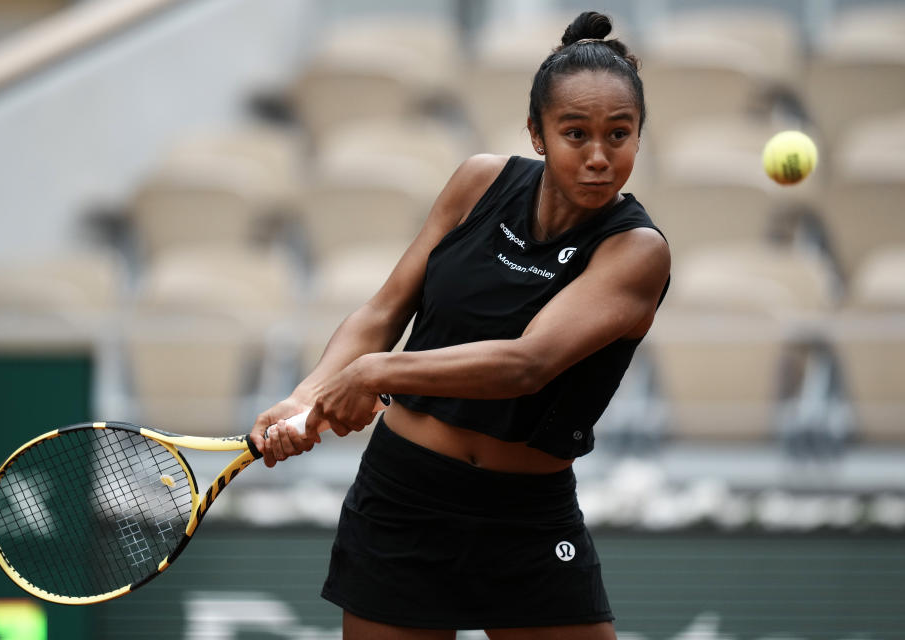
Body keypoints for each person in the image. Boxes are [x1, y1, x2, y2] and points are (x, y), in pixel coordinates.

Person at [250, 11, 670, 640]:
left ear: (639, 137)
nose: (598, 157)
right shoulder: (478, 182)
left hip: (525, 517)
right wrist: (305, 396)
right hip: (402, 497)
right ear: (536, 133)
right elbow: (383, 310)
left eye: (619, 135)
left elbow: (526, 365)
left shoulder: (636, 251)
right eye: (575, 133)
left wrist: (373, 373)